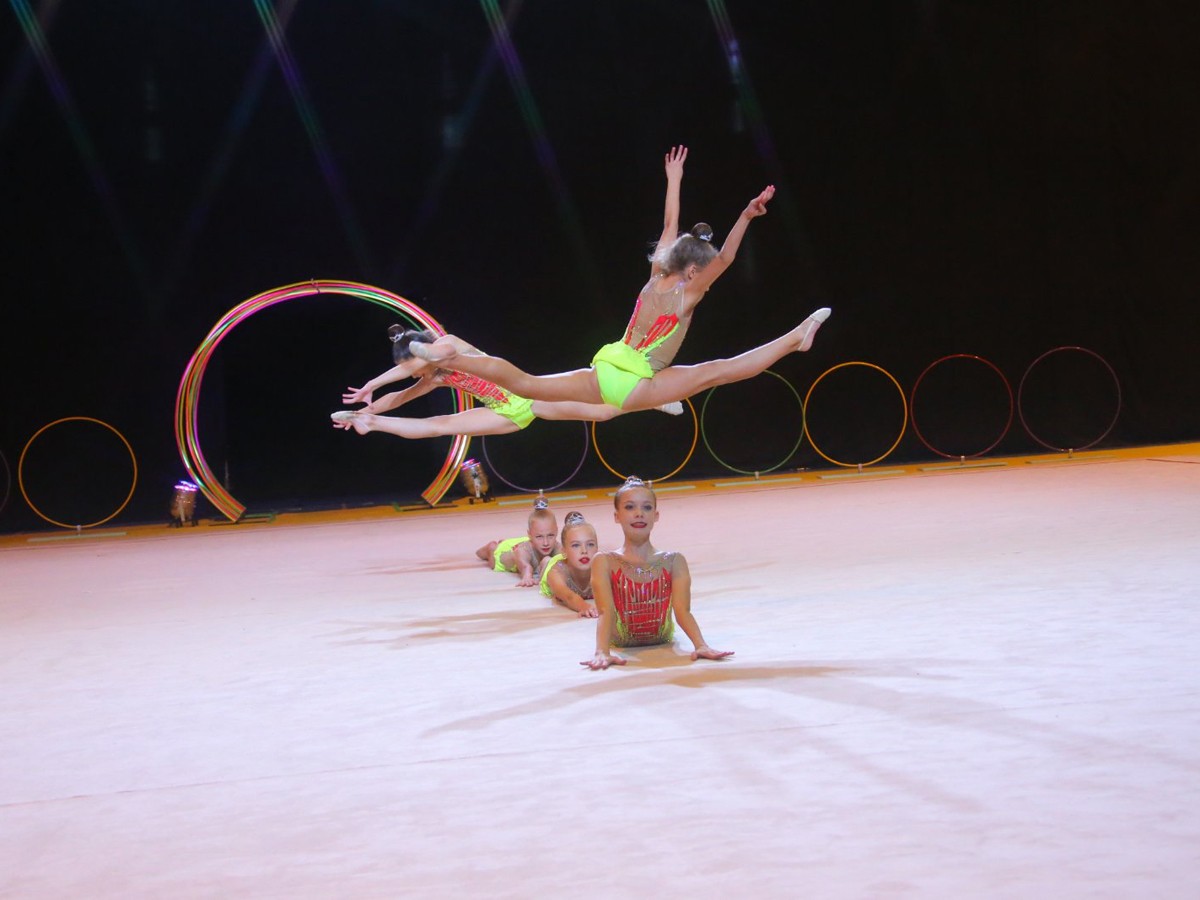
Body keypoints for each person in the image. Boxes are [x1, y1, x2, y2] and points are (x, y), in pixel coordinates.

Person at [340, 146, 831, 415]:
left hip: (607, 371)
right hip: (635, 383)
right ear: (693, 270)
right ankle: (796, 337)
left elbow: (669, 224)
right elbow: (725, 256)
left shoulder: (655, 276)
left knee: (526, 384)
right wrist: (746, 215)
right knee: (719, 370)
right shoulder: (688, 293)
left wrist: (674, 180)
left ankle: (448, 356)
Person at [332, 328, 682, 440]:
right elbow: (399, 396)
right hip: (502, 411)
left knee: (602, 414)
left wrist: (372, 381)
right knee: (440, 425)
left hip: (529, 396)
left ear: (421, 352)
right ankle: (371, 425)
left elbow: (429, 357)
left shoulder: (448, 346)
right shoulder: (434, 376)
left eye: (412, 367)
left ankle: (650, 397)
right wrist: (366, 409)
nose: (414, 375)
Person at [582, 476, 733, 669]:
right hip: (620, 642)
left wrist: (701, 645)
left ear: (656, 515)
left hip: (662, 639)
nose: (639, 514)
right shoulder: (604, 561)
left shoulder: (674, 561)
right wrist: (602, 652)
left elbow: (683, 611)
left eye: (646, 507)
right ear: (617, 516)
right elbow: (605, 611)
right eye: (629, 507)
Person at [475, 498, 560, 588]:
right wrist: (527, 577)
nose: (546, 543)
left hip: (526, 543)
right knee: (491, 552)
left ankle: (506, 542)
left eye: (550, 535)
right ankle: (492, 547)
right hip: (505, 552)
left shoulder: (556, 546)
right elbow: (525, 567)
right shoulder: (523, 551)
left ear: (557, 531)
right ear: (530, 534)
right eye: (539, 536)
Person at [539, 511, 599, 618]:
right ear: (564, 550)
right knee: (546, 563)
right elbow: (568, 597)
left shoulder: (602, 567)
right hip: (555, 565)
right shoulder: (556, 573)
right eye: (576, 545)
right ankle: (546, 561)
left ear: (597, 548)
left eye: (590, 544)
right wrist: (584, 606)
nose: (584, 551)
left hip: (571, 559)